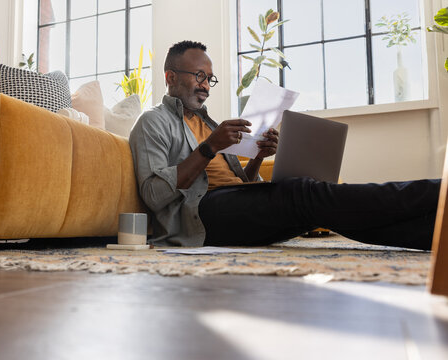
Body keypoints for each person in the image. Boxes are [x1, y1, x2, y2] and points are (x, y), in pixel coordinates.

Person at [129, 40, 441, 250]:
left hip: (230, 204)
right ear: (170, 77)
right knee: (302, 193)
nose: (206, 86)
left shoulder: (209, 124)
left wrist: (257, 157)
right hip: (199, 217)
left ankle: (436, 235)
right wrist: (209, 148)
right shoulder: (152, 122)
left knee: (317, 206)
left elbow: (242, 185)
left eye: (210, 79)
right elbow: (155, 196)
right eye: (199, 76)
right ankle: (437, 191)